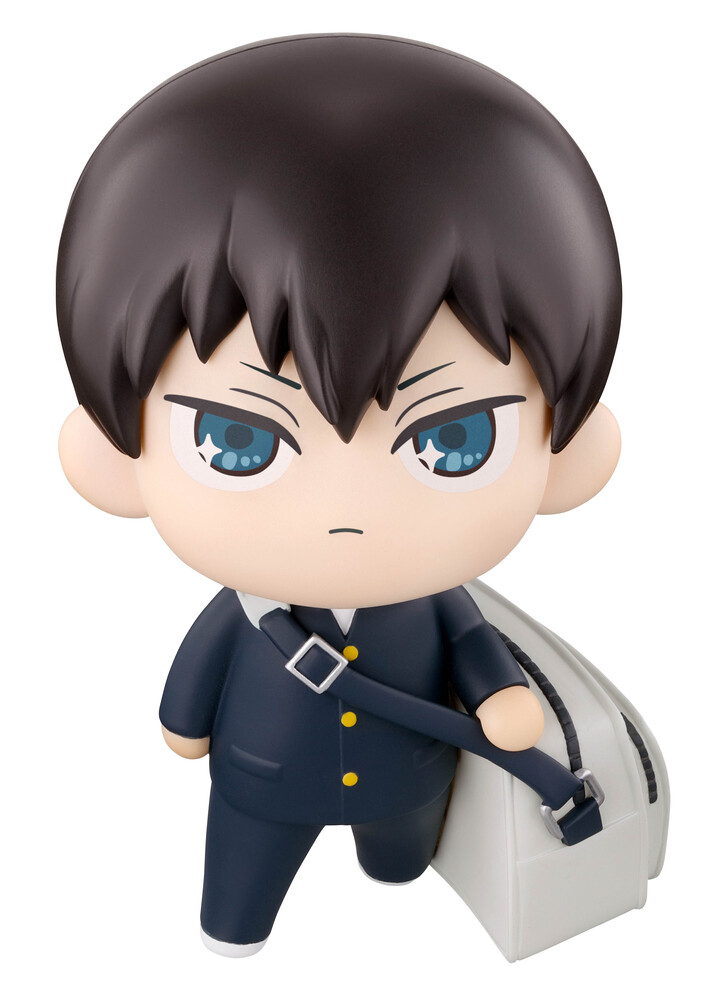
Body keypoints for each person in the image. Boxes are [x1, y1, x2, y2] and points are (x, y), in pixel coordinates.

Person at [57, 34, 622, 956]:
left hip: (407, 777)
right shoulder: (249, 613)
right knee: (243, 879)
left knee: (399, 860)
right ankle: (234, 933)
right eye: (237, 440)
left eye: (453, 440)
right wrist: (182, 722)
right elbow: (201, 665)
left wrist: (498, 696)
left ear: (567, 451)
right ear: (114, 456)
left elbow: (471, 648)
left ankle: (391, 873)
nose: (346, 511)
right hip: (263, 779)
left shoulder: (433, 600)